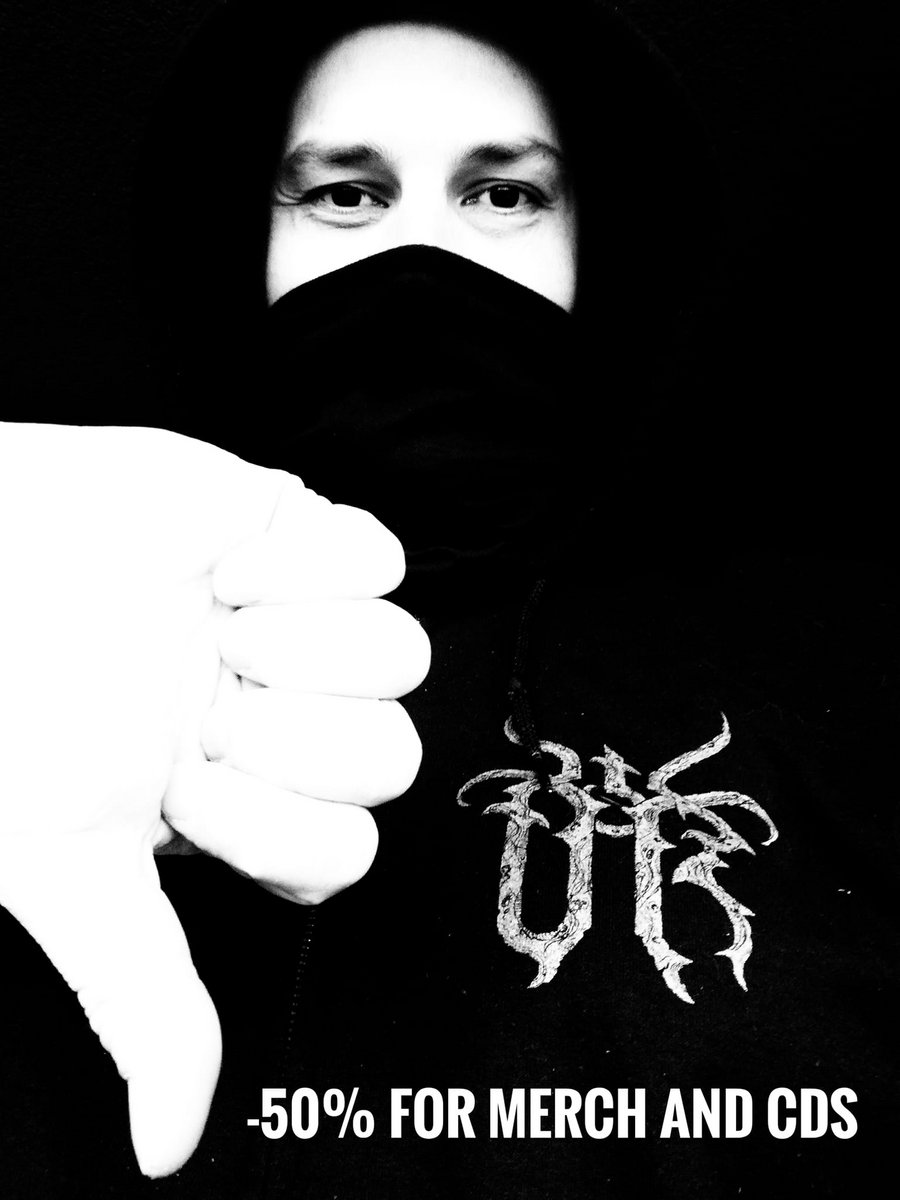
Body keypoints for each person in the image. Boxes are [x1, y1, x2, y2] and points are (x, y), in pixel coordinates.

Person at [2, 1, 895, 1197]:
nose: (423, 259)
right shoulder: (71, 623)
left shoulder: (838, 675)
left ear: (600, 246)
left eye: (504, 195)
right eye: (346, 195)